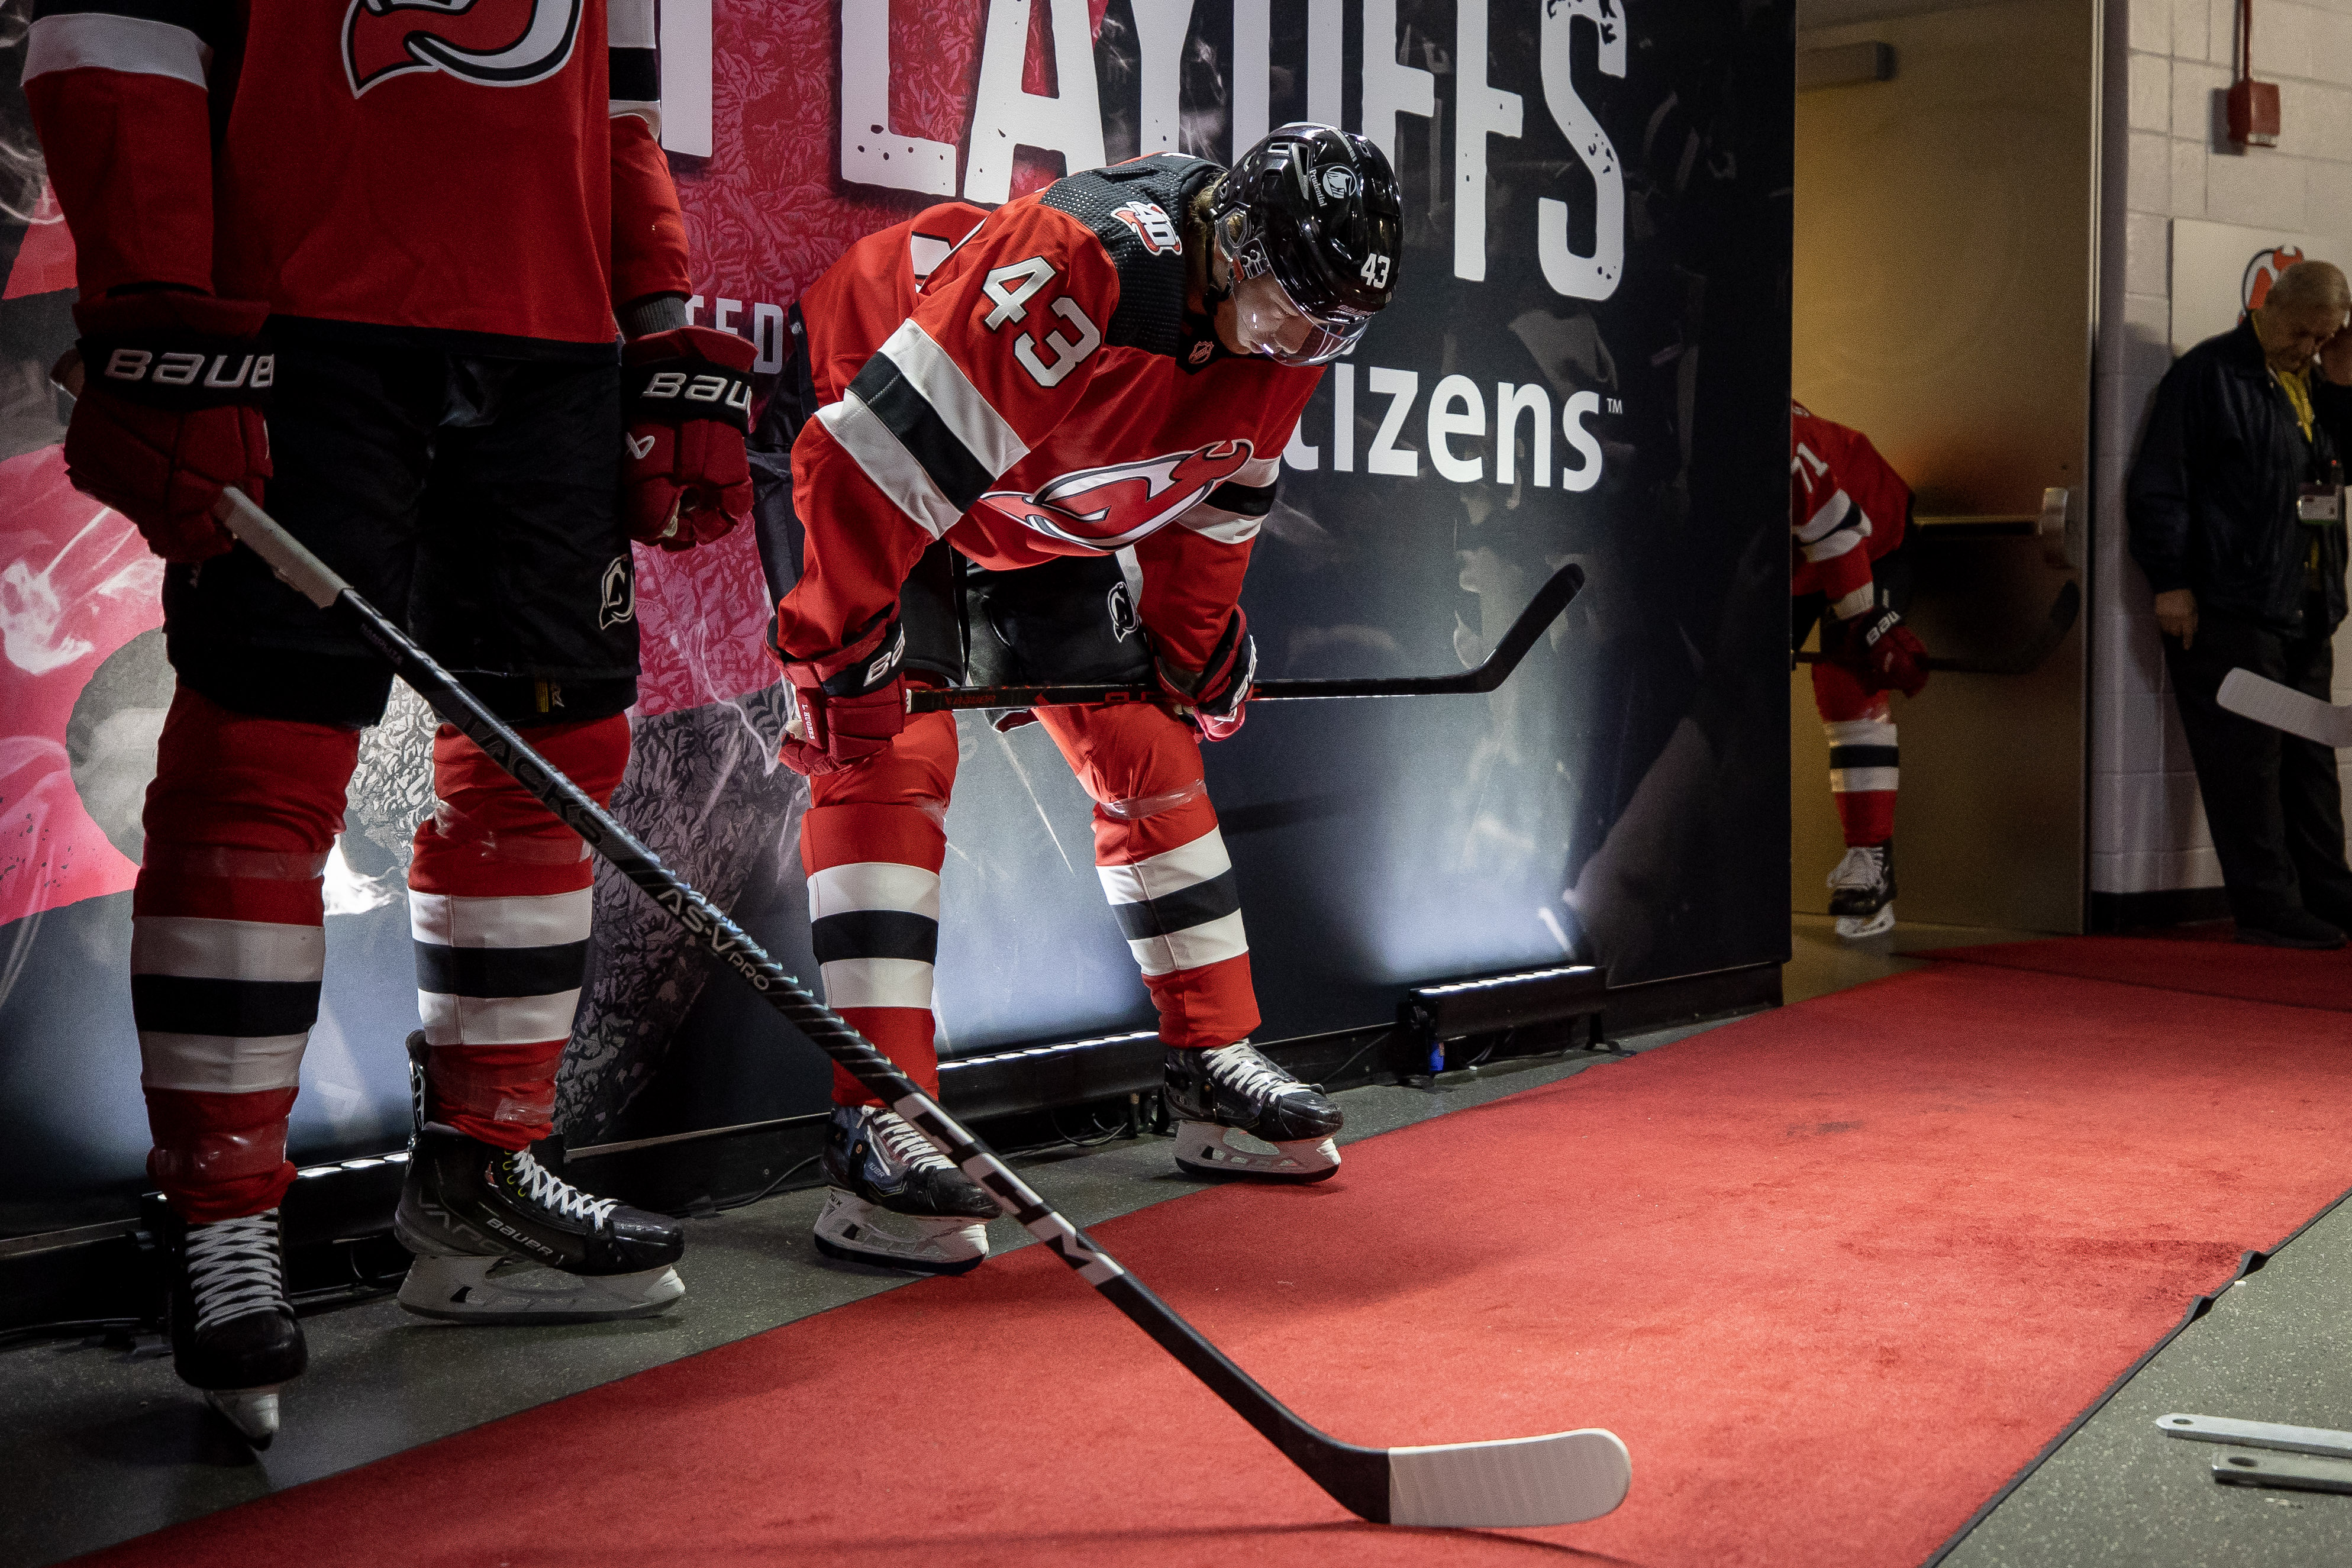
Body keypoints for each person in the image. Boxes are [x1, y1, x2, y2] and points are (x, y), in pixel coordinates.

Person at [28, 0, 753, 1443]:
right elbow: (115, 26)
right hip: (305, 317)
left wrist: (657, 319)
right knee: (263, 752)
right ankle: (218, 1215)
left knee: (552, 758)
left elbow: (613, 98)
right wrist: (153, 294)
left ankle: (484, 1174)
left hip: (549, 339)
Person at [761, 125, 1401, 1274]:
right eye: (1299, 316)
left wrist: (1191, 650)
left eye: (1335, 330)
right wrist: (837, 653)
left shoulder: (1294, 305)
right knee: (890, 749)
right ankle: (877, 1113)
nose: (1310, 347)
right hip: (873, 417)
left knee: (1145, 736)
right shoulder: (1086, 262)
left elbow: (1219, 497)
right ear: (1232, 244)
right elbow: (870, 472)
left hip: (1037, 485)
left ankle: (1211, 1064)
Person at [2128, 259, 2352, 949]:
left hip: (2307, 609)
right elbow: (2162, 483)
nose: (2307, 347)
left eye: (2323, 337)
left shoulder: (2316, 379)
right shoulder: (2209, 375)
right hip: (2233, 608)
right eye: (2300, 333)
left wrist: (2342, 382)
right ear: (2269, 304)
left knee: (2313, 764)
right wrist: (2170, 581)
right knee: (2247, 765)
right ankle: (2267, 907)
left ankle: (2329, 893)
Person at [1789, 400, 1928, 938]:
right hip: (1796, 555)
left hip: (1872, 540)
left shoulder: (1788, 445)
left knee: (1847, 682)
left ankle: (1870, 858)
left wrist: (1865, 626)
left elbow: (1841, 533)